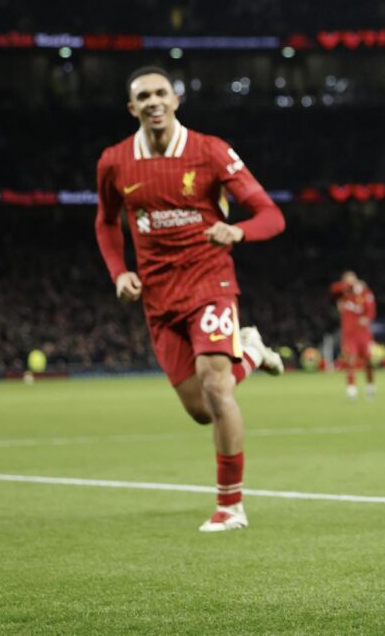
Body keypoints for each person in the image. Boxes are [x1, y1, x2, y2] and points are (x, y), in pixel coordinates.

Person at [95, 66, 286, 533]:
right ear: (132, 108)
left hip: (210, 283)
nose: (153, 102)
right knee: (201, 409)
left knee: (217, 389)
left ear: (176, 100)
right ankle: (252, 352)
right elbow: (106, 222)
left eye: (161, 93)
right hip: (159, 297)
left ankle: (230, 506)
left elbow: (271, 214)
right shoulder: (114, 161)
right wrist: (119, 272)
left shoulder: (210, 151)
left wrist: (238, 231)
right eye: (144, 96)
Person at [330, 270, 377, 399]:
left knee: (368, 361)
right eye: (347, 280)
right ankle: (351, 389)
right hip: (349, 334)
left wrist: (367, 318)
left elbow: (371, 310)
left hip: (363, 333)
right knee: (350, 360)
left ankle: (370, 386)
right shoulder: (343, 294)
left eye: (351, 279)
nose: (349, 282)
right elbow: (333, 288)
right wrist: (350, 286)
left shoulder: (364, 293)